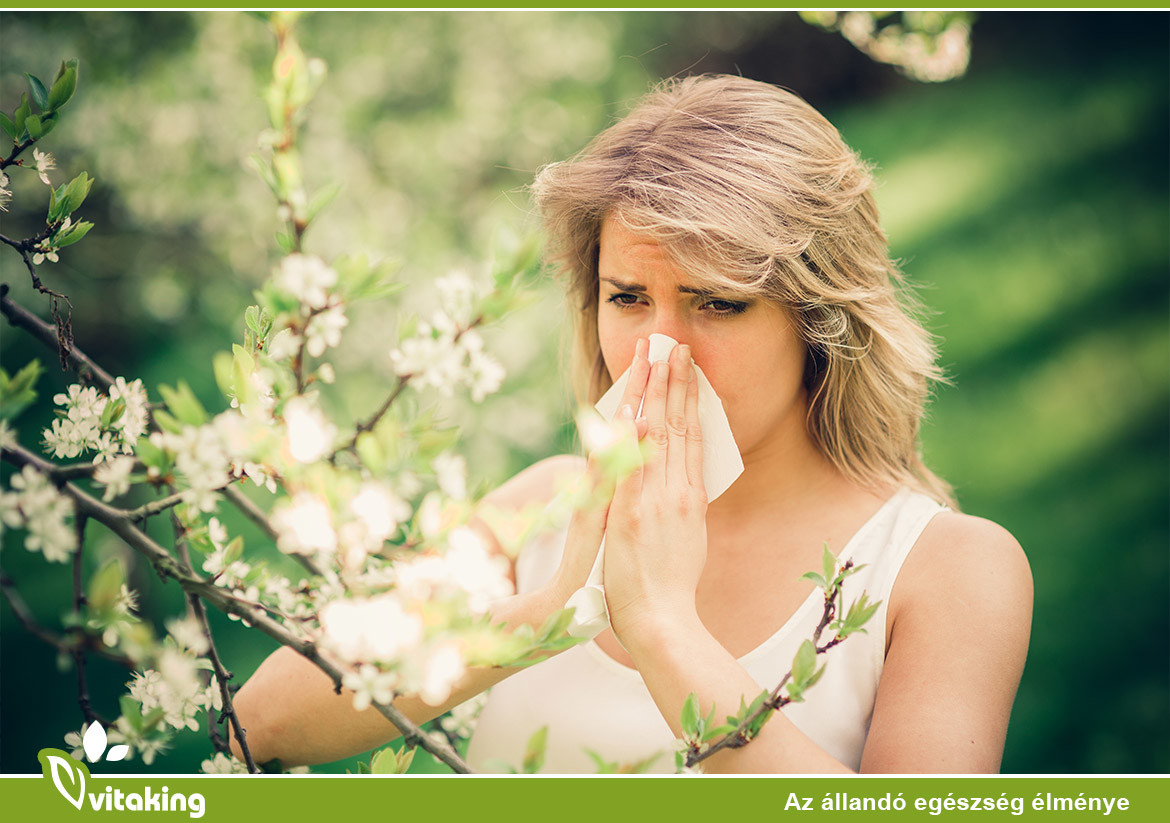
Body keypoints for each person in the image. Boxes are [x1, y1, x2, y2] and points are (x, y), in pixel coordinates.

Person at [230, 74, 1032, 774]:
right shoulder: (540, 508)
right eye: (628, 297)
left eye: (718, 302)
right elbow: (258, 723)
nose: (662, 348)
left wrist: (660, 628)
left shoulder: (945, 570)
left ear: (818, 320)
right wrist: (551, 610)